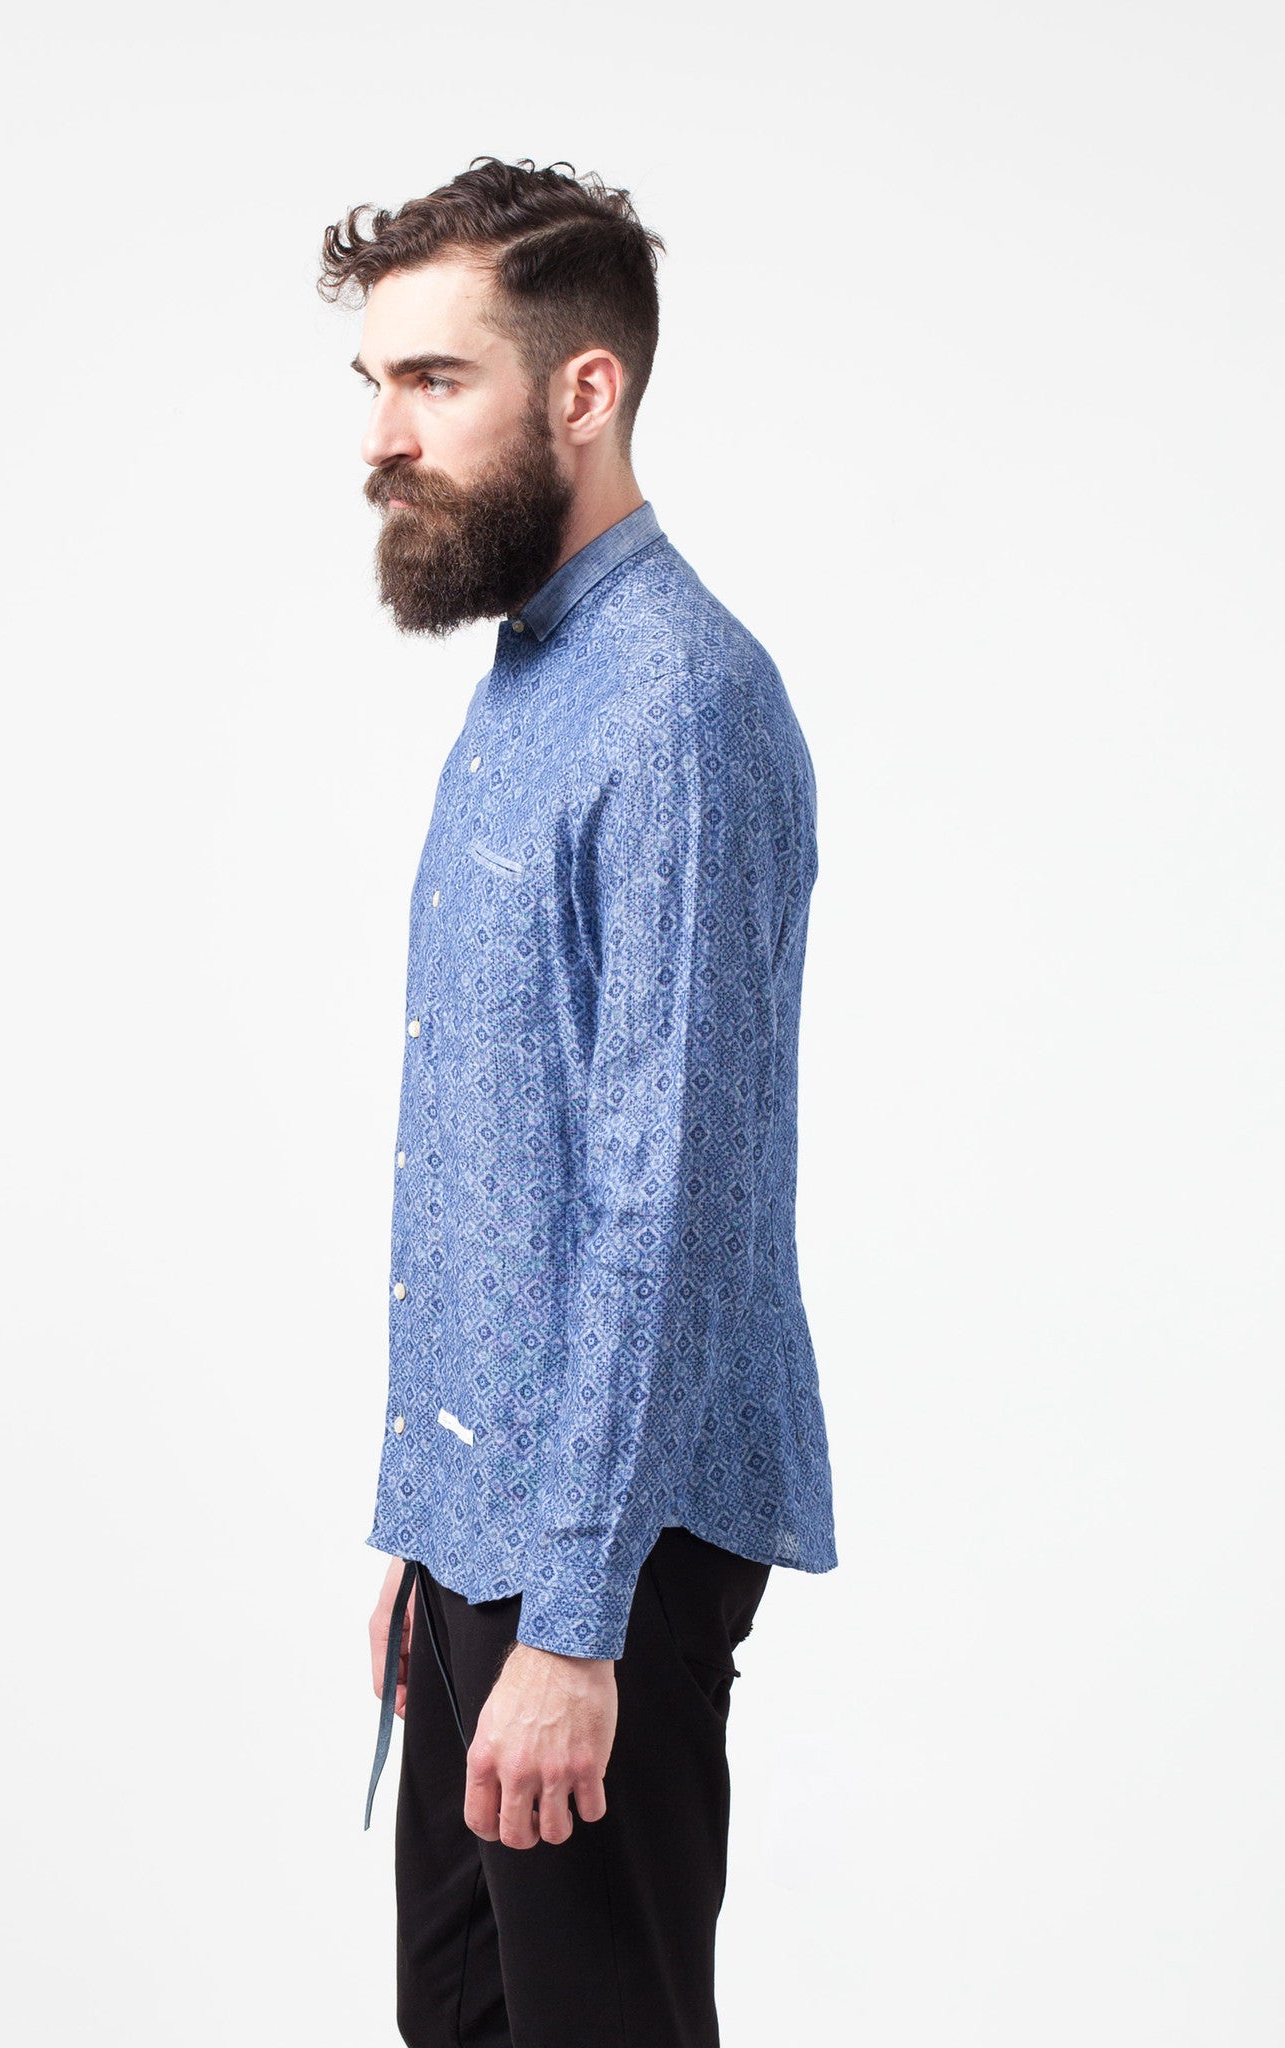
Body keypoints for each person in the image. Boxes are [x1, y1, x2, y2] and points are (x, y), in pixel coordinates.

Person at [319, 156, 838, 2048]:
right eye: (374, 384)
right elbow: (510, 1146)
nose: (381, 439)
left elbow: (661, 1195)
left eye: (433, 380)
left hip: (596, 1553)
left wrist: (571, 1620)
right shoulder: (536, 677)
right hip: (494, 1529)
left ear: (584, 390)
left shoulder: (678, 704)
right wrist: (428, 1523)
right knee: (459, 2024)